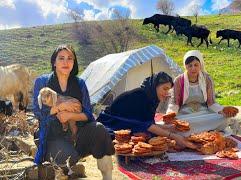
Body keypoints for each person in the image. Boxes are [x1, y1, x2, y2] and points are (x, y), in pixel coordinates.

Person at [33, 44, 114, 180]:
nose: (66, 62)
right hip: (52, 137)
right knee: (67, 156)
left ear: (74, 62)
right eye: (61, 58)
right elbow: (38, 112)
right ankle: (67, 162)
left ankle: (108, 176)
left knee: (100, 129)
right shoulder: (42, 82)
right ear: (54, 62)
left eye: (70, 58)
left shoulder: (80, 83)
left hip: (77, 135)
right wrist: (61, 106)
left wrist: (69, 115)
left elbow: (88, 114)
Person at [97, 71, 196, 149]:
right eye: (164, 89)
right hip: (111, 121)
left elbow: (146, 122)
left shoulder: (151, 98)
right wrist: (174, 136)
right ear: (154, 86)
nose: (167, 93)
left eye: (168, 90)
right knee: (144, 135)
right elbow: (147, 125)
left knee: (149, 135)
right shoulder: (140, 96)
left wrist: (170, 128)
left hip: (129, 122)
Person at [166, 50, 238, 136]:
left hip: (204, 112)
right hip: (185, 114)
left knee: (224, 119)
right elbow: (175, 103)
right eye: (190, 66)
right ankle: (207, 130)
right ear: (185, 66)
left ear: (200, 65)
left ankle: (189, 132)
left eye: (196, 65)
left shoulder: (207, 79)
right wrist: (170, 115)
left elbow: (211, 103)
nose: (193, 68)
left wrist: (222, 111)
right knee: (172, 124)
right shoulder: (179, 80)